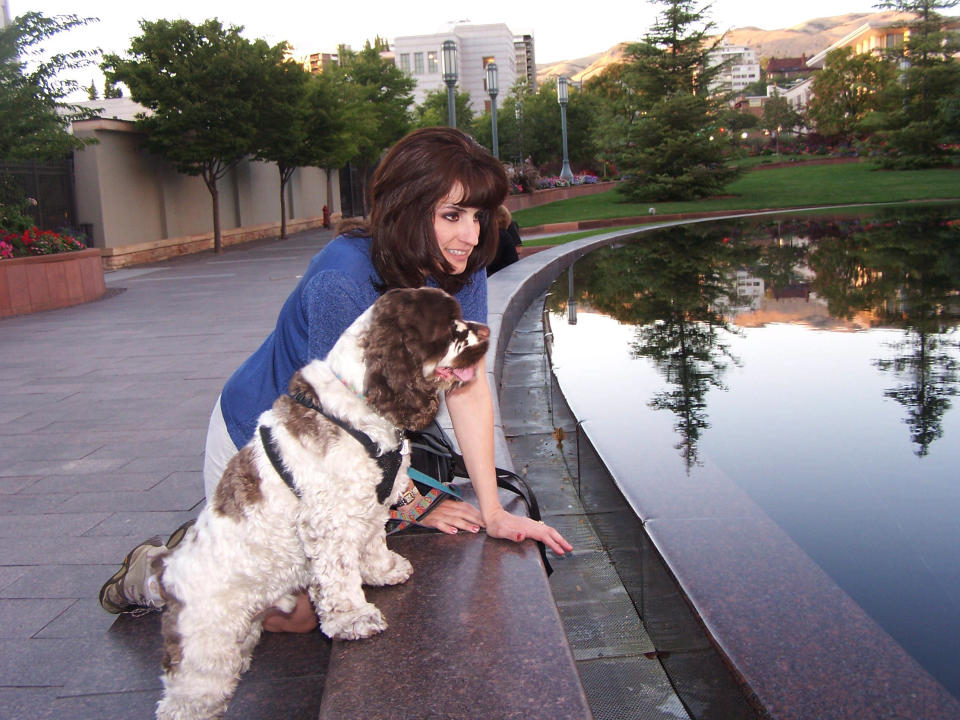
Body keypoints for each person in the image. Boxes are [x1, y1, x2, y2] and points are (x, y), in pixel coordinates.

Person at [99, 127, 572, 633]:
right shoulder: (343, 280)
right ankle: (159, 573)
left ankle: (212, 540)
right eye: (452, 215)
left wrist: (495, 512)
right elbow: (328, 428)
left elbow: (467, 385)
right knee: (292, 614)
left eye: (478, 216)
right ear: (406, 209)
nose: (472, 236)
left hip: (357, 441)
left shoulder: (460, 264)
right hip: (268, 439)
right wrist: (413, 502)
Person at [487, 205, 522, 275]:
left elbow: (491, 261)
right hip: (507, 273)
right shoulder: (503, 234)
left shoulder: (500, 235)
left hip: (502, 275)